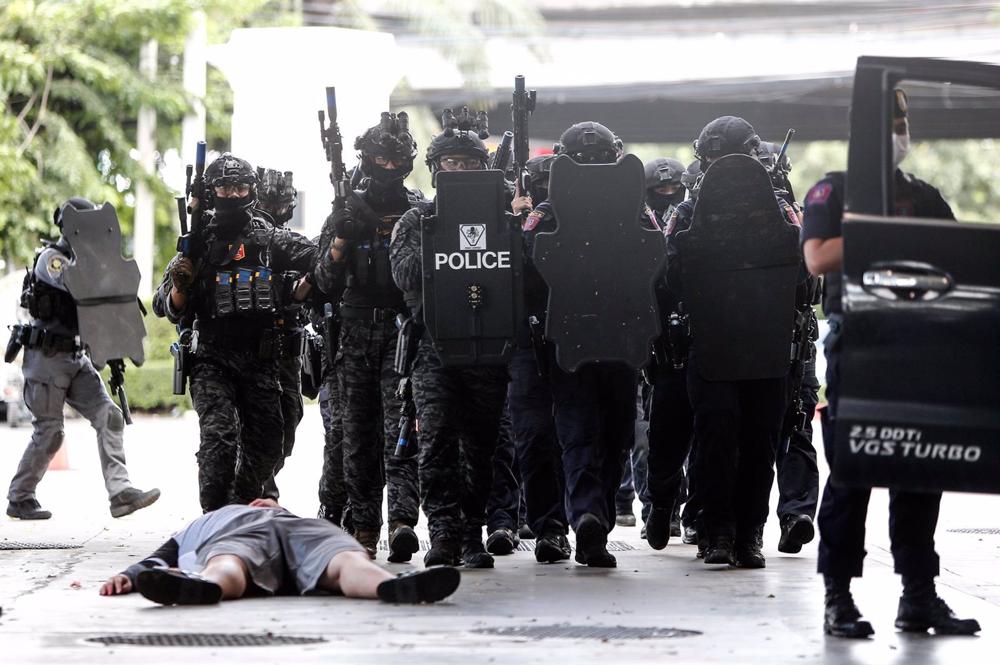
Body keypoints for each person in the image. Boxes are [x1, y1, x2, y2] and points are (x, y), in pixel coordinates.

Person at [802, 89, 980, 638]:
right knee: (854, 467)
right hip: (860, 342)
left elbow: (956, 260)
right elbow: (818, 257)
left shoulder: (923, 195)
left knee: (920, 468)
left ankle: (918, 596)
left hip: (918, 344)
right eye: (892, 121)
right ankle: (838, 596)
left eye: (905, 120)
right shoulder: (833, 189)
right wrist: (881, 234)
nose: (902, 130)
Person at [152, 153, 325, 512]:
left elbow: (316, 257)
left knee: (270, 442)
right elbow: (165, 305)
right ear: (212, 192)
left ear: (251, 191)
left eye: (239, 186)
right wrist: (183, 282)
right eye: (224, 187)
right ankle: (214, 515)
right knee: (219, 440)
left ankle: (241, 502)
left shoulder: (268, 239)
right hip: (212, 359)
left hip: (261, 360)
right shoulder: (197, 242)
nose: (232, 194)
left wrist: (337, 241)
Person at [664, 116, 799, 568]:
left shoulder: (781, 206)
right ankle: (716, 532)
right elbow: (665, 271)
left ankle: (749, 534)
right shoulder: (685, 211)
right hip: (712, 338)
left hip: (767, 339)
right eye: (716, 158)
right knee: (715, 435)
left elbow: (805, 266)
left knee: (760, 440)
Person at [389, 117, 510, 568]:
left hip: (488, 349)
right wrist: (440, 234)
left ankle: (472, 533)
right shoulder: (417, 219)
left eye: (470, 163)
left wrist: (512, 219)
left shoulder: (503, 218)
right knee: (437, 441)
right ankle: (442, 532)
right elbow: (402, 275)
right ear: (436, 170)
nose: (460, 171)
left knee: (482, 447)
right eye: (452, 163)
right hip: (434, 349)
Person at [6, 197, 160, 520]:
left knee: (109, 416)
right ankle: (20, 496)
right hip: (47, 358)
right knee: (50, 433)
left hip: (76, 358)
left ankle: (120, 493)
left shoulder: (91, 262)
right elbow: (76, 286)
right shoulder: (52, 259)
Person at [319, 113, 425, 562]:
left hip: (402, 334)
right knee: (357, 435)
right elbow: (323, 279)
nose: (386, 166)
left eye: (395, 158)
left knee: (402, 431)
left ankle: (402, 521)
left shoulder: (420, 210)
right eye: (379, 158)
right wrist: (342, 238)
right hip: (356, 331)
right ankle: (363, 526)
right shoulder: (345, 209)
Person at [539, 121, 639, 568]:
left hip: (593, 335)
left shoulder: (548, 211)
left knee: (595, 431)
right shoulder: (549, 211)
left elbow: (660, 258)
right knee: (599, 432)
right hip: (597, 335)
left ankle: (590, 514)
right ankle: (589, 518)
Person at [98, 498, 460, 605]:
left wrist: (127, 576)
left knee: (229, 562)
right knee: (344, 562)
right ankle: (388, 586)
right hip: (302, 531)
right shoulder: (230, 517)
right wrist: (129, 576)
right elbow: (155, 562)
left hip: (248, 534)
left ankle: (208, 585)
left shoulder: (211, 521)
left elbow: (157, 559)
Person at [507, 152, 573, 564]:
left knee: (580, 436)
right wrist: (515, 221)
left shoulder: (590, 215)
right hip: (528, 340)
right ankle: (549, 526)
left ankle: (583, 520)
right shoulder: (520, 220)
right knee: (533, 437)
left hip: (578, 337)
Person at [254, 168, 307, 502]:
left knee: (289, 421)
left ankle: (264, 479)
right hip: (248, 349)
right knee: (258, 426)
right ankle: (260, 490)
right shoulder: (230, 238)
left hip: (285, 349)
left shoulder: (289, 243)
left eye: (282, 203)